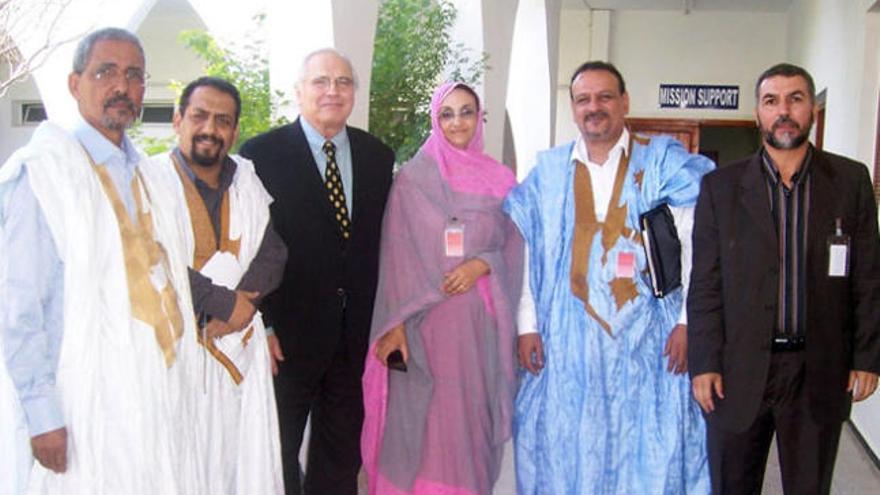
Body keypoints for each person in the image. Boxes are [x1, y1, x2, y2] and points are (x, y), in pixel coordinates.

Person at [0, 28, 199, 494]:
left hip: (155, 399)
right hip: (82, 403)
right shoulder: (44, 174)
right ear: (75, 85)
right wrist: (42, 412)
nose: (121, 86)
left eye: (133, 75)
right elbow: (19, 305)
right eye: (105, 72)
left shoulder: (153, 178)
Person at [504, 61, 713, 494]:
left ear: (624, 102)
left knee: (652, 448)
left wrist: (688, 322)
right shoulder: (549, 173)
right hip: (567, 344)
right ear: (573, 108)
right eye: (583, 99)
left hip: (649, 342)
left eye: (604, 97)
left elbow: (696, 245)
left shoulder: (662, 162)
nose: (593, 107)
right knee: (569, 449)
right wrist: (527, 326)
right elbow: (525, 252)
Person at [688, 63, 880, 495]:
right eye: (771, 101)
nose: (784, 111)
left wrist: (868, 357)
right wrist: (705, 362)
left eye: (795, 98)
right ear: (757, 113)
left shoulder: (849, 182)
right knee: (733, 485)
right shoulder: (720, 188)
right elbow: (705, 285)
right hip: (738, 370)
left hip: (818, 368)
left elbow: (868, 276)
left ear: (812, 108)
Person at [238, 48, 394, 495]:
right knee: (278, 452)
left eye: (343, 82)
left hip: (355, 336)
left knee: (341, 455)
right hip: (286, 337)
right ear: (299, 91)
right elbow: (249, 244)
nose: (333, 91)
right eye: (321, 81)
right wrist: (262, 323)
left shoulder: (376, 156)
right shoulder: (260, 155)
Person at [361, 82, 524, 495]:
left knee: (469, 423)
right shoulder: (414, 180)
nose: (457, 122)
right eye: (447, 113)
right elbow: (396, 254)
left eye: (466, 112)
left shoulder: (502, 181)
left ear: (479, 118)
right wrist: (394, 324)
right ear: (435, 119)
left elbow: (516, 249)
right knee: (425, 424)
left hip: (478, 332)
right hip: (423, 328)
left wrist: (483, 263)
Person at [151, 76, 288, 494]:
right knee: (182, 463)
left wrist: (239, 309)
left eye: (222, 120)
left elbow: (273, 251)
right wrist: (222, 305)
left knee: (239, 463)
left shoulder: (247, 179)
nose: (210, 128)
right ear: (178, 120)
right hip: (176, 353)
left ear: (234, 130)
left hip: (238, 351)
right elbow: (153, 258)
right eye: (199, 116)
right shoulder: (150, 181)